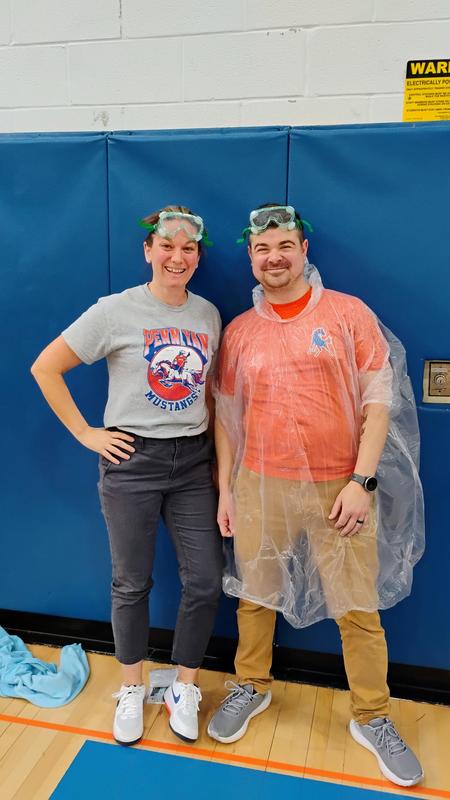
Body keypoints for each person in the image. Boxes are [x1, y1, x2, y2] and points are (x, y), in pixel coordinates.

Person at [207, 204, 424, 788]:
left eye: (284, 245)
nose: (273, 258)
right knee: (255, 596)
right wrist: (226, 489)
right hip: (260, 485)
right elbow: (225, 416)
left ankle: (372, 716)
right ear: (250, 258)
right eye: (261, 249)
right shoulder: (240, 330)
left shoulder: (348, 314)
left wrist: (362, 481)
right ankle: (251, 686)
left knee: (358, 608)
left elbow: (381, 401)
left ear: (305, 250)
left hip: (340, 488)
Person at [31, 206, 223, 746]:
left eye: (188, 249)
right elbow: (46, 367)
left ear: (198, 257)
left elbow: (208, 388)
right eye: (167, 245)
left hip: (192, 461)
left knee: (206, 581)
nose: (177, 256)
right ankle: (133, 686)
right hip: (132, 463)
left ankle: (185, 685)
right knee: (131, 582)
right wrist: (86, 433)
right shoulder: (115, 312)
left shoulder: (208, 314)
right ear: (148, 250)